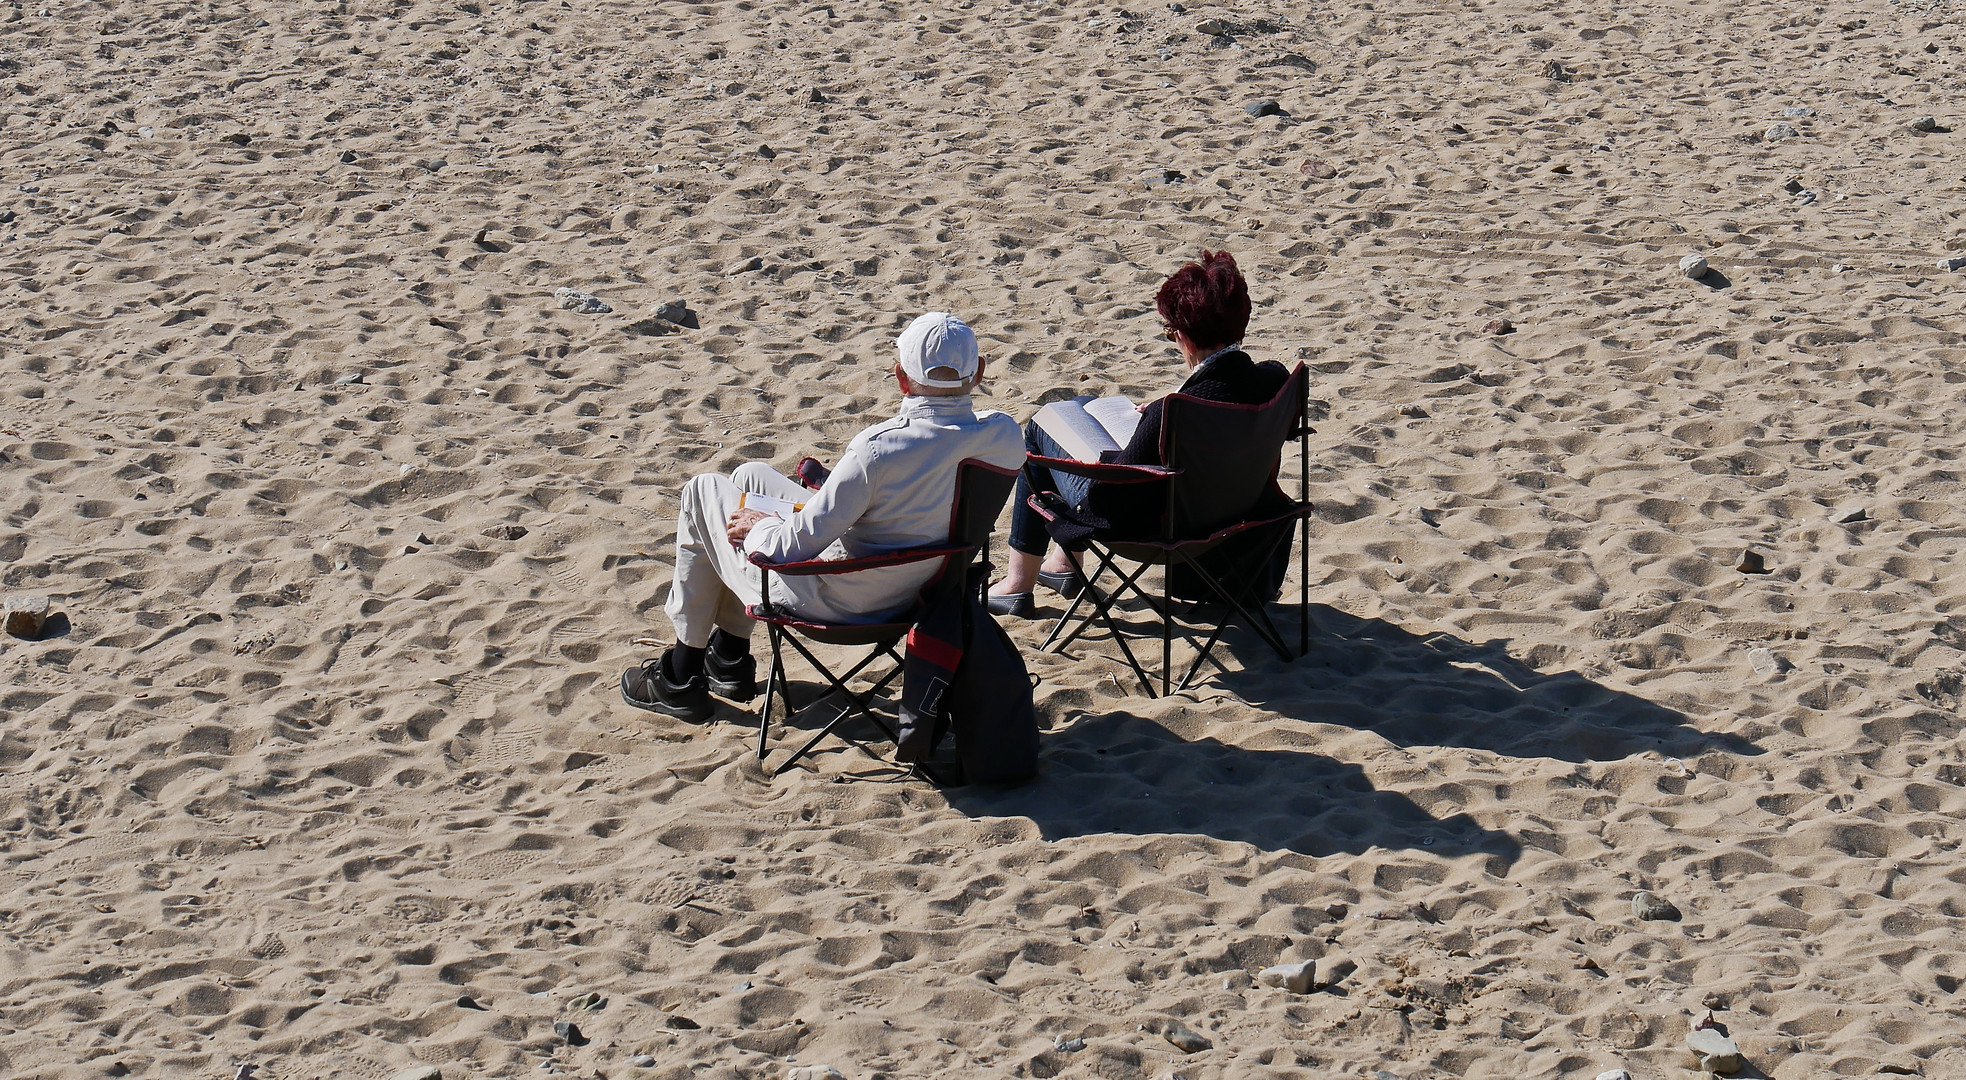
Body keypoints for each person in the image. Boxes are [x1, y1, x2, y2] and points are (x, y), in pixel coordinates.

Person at [624, 312, 1025, 721]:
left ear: (901, 378)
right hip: (924, 591)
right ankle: (728, 658)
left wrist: (758, 527)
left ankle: (679, 674)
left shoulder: (879, 448)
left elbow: (790, 548)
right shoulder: (1005, 436)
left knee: (702, 490)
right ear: (979, 373)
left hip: (840, 600)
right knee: (750, 478)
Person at [988, 250, 1289, 617]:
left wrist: (1108, 457)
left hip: (1157, 529)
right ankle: (1061, 566)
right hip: (1234, 513)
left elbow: (1108, 498)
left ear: (1186, 338)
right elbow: (1225, 403)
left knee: (1039, 429)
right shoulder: (1274, 383)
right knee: (1083, 403)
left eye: (1170, 332)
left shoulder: (1172, 412)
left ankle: (1018, 584)